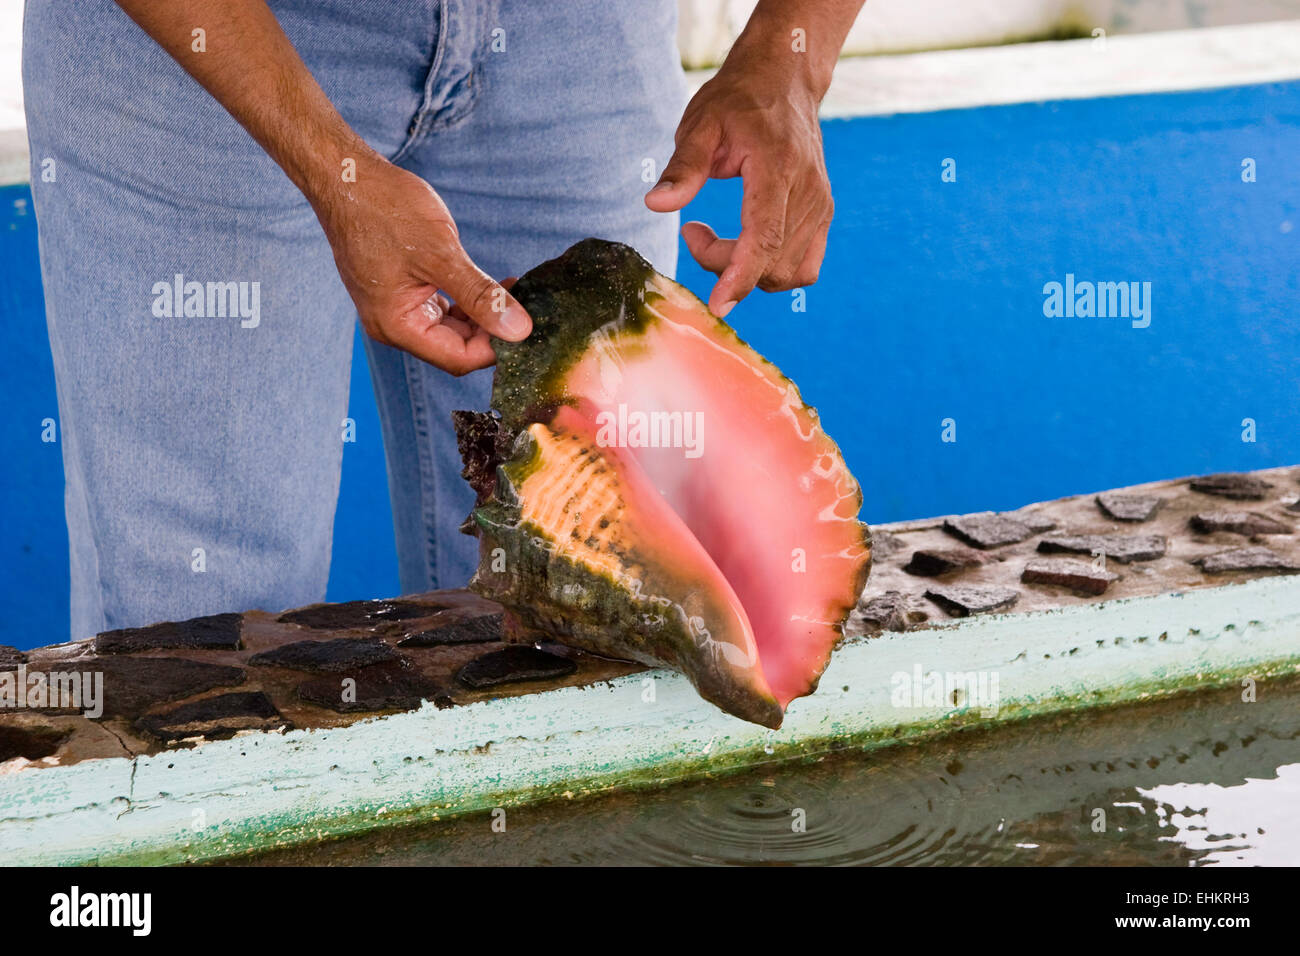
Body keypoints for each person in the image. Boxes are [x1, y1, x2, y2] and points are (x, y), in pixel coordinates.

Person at [23, 0, 864, 640]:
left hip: (578, 34)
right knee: (202, 632)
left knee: (580, 593)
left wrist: (793, 52)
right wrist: (332, 169)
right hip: (213, 40)